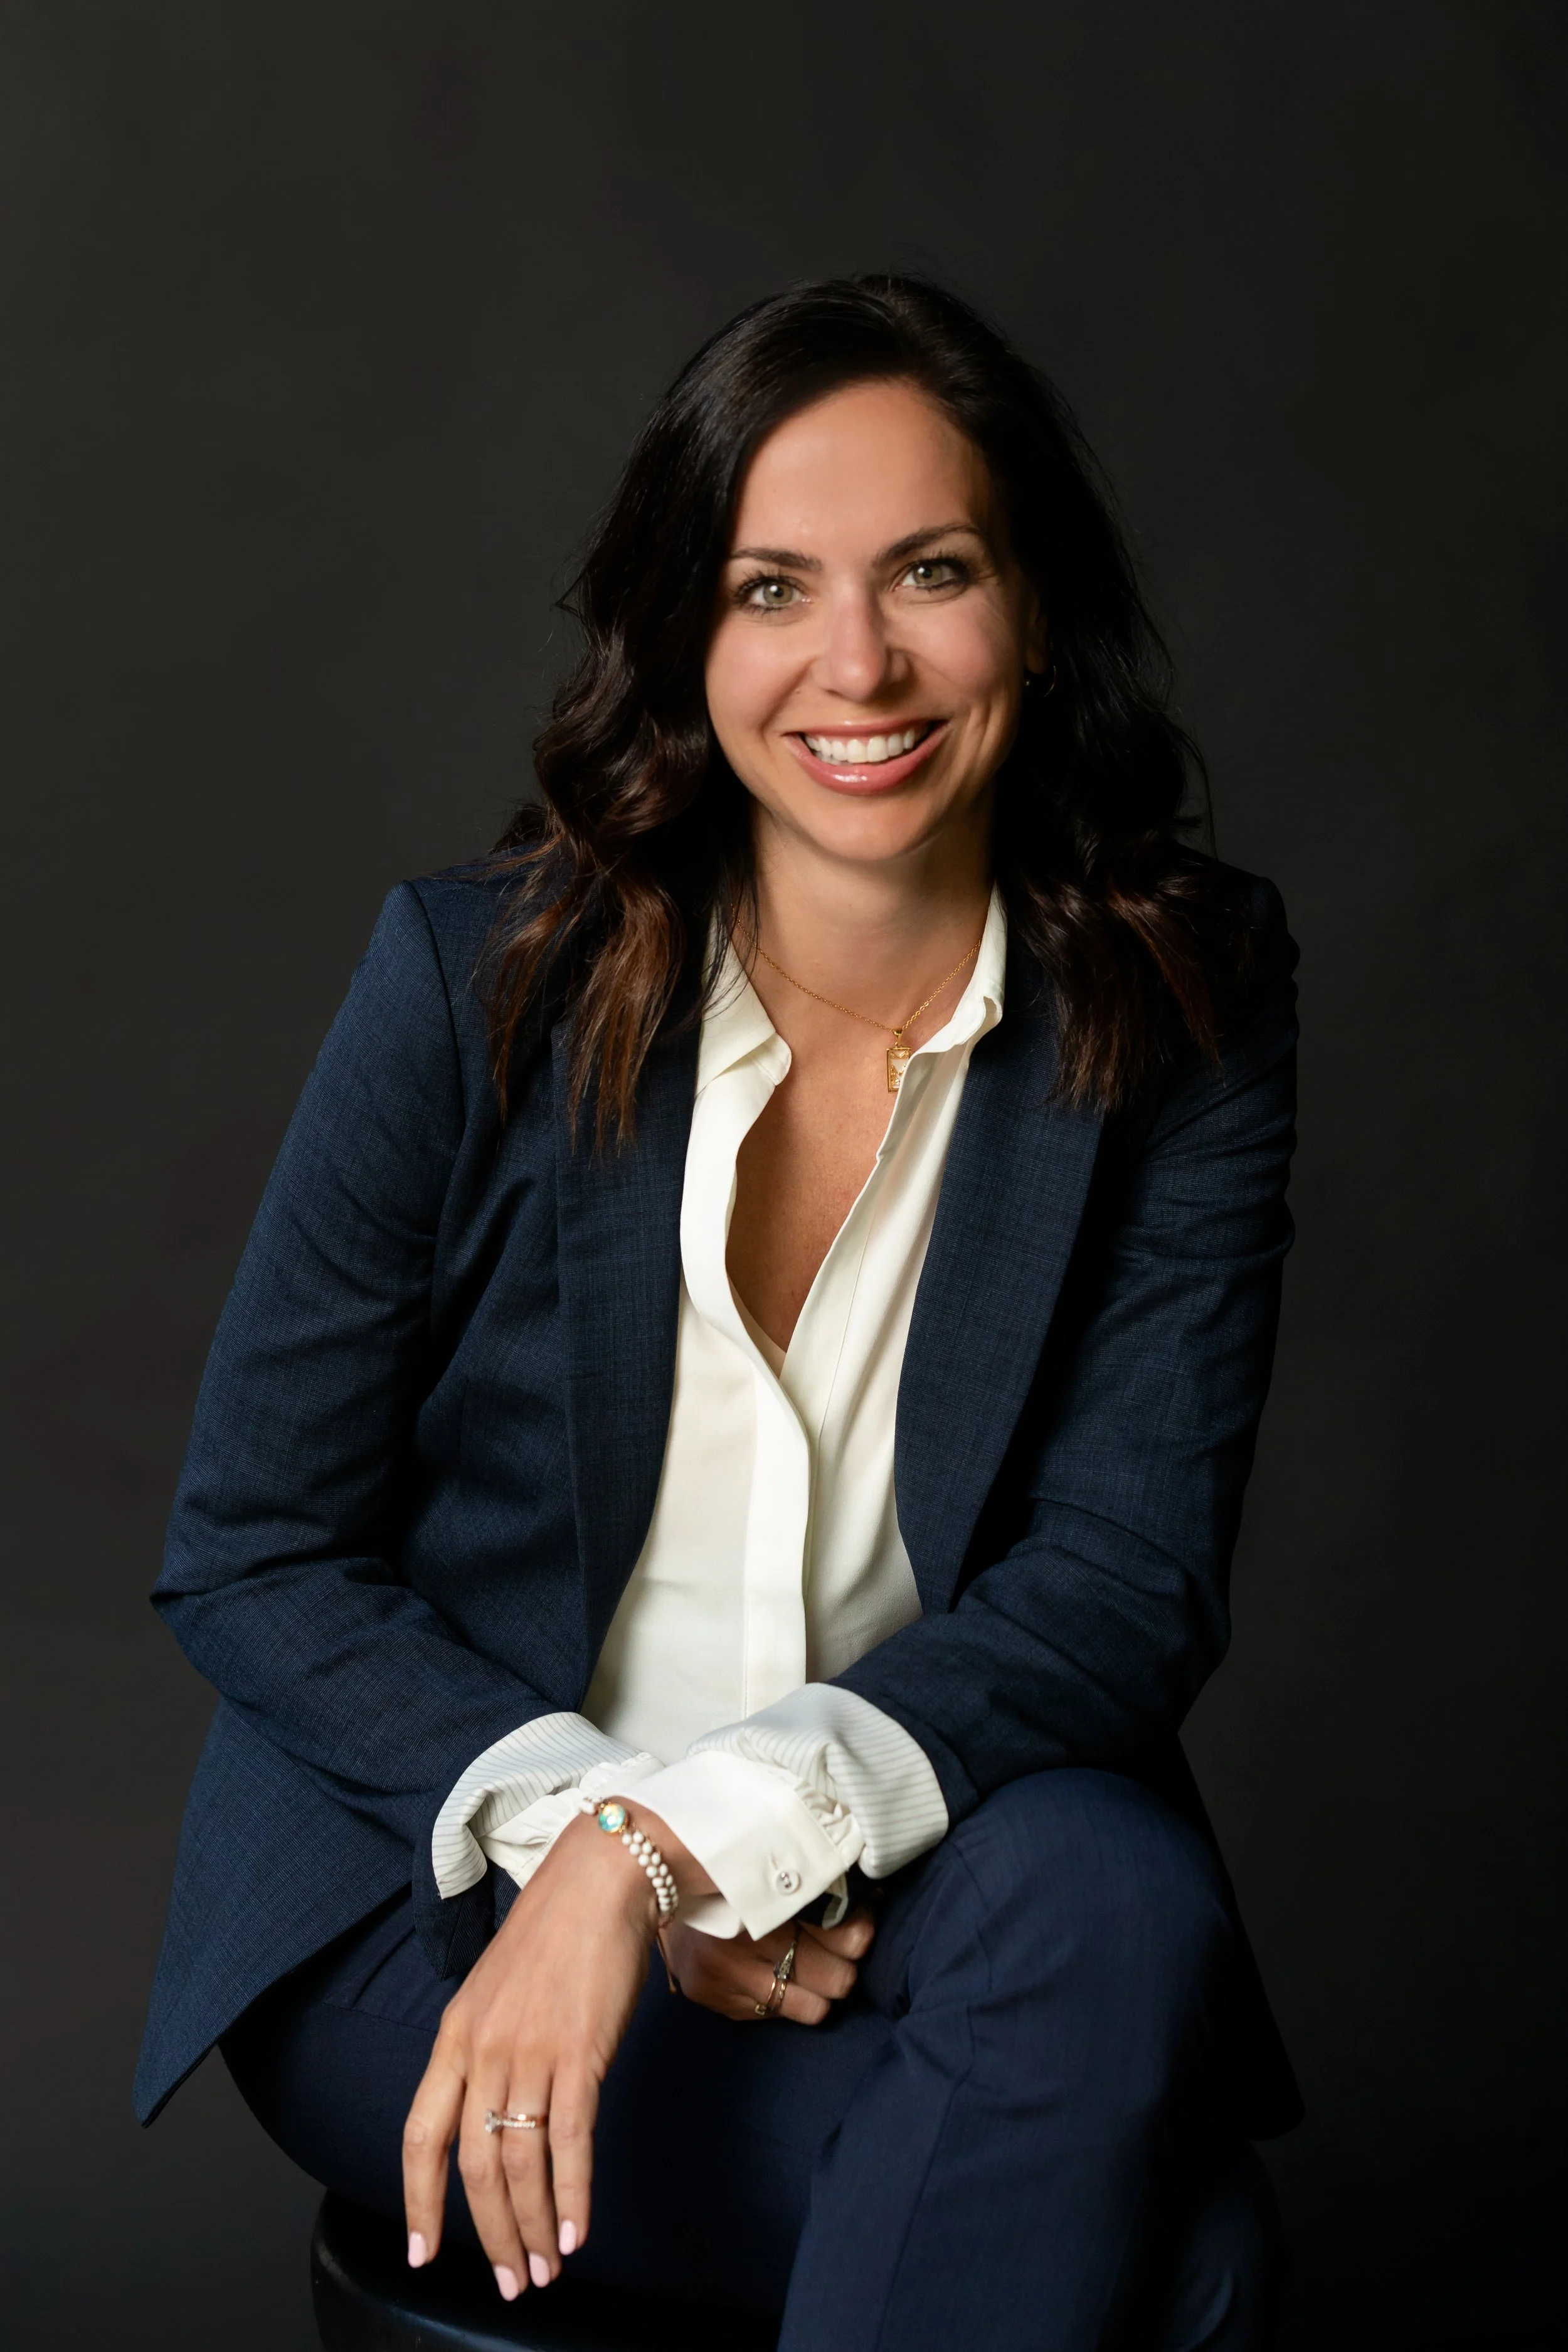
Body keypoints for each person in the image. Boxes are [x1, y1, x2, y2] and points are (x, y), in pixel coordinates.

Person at [137, 275, 1301, 2351]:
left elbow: (1125, 1585)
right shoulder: (472, 980)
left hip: (885, 1873)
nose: (856, 663)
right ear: (688, 631)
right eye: (775, 585)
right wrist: (581, 1834)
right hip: (447, 1901)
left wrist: (675, 1848)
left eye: (929, 571)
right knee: (1177, 2260)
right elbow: (251, 1547)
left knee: (1116, 1894)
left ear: (1033, 607)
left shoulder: (1181, 995)